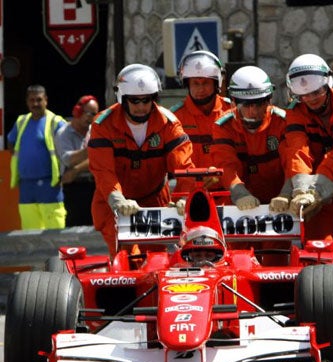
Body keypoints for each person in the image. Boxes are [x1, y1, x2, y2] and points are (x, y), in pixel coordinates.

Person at [88, 64, 194, 259]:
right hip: (114, 203)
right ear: (122, 99)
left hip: (155, 199)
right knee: (125, 258)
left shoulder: (168, 124)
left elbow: (184, 165)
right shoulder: (103, 125)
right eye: (134, 101)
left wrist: (183, 198)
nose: (141, 107)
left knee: (158, 259)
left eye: (146, 100)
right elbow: (103, 171)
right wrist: (118, 200)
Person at [270, 53, 333, 248]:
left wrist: (316, 190)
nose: (310, 99)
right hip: (316, 203)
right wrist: (301, 190)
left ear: (328, 84)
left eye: (316, 93)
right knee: (317, 256)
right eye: (303, 95)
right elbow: (297, 150)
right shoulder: (295, 112)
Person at [210, 65, 287, 209]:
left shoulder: (283, 122)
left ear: (268, 101)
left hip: (281, 203)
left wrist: (287, 194)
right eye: (246, 105)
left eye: (258, 104)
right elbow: (226, 165)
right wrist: (240, 193)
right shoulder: (223, 126)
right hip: (241, 205)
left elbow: (293, 160)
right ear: (234, 102)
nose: (253, 112)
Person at [7, 84, 67, 230]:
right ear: (27, 102)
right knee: (29, 234)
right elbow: (11, 141)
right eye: (32, 100)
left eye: (39, 100)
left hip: (50, 184)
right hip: (26, 185)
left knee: (56, 233)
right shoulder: (21, 121)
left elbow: (70, 145)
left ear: (46, 100)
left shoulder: (56, 122)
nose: (35, 104)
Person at [171, 50, 230, 190]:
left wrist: (220, 174)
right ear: (187, 84)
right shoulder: (174, 117)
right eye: (195, 83)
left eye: (205, 83)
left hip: (228, 197)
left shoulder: (231, 111)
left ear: (217, 83)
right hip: (187, 197)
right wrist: (197, 178)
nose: (200, 89)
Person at [54, 95, 99, 226]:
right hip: (74, 188)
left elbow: (100, 160)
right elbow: (68, 160)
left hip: (94, 185)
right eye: (89, 113)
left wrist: (76, 170)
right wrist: (91, 149)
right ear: (78, 111)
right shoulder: (63, 133)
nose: (92, 118)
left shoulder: (95, 131)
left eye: (95, 114)